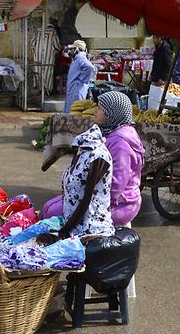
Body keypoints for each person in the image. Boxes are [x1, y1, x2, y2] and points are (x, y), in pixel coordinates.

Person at [43, 91, 144, 226]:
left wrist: (85, 200)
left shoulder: (120, 142)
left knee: (52, 212)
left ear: (111, 114)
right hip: (100, 195)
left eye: (101, 109)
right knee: (48, 206)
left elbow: (115, 186)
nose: (95, 111)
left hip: (120, 204)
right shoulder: (111, 132)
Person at [56, 124, 115, 239]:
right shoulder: (81, 152)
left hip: (91, 228)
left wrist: (64, 230)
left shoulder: (98, 156)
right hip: (73, 224)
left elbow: (87, 200)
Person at [64, 39, 95, 113]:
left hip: (77, 88)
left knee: (74, 112)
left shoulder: (80, 57)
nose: (71, 51)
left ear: (77, 49)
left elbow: (89, 67)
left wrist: (81, 80)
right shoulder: (76, 58)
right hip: (74, 88)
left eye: (73, 49)